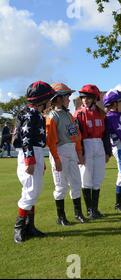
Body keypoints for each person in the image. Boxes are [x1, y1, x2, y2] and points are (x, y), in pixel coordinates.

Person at [12, 81, 55, 243]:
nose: (50, 102)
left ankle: (30, 227)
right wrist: (30, 159)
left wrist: (39, 160)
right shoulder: (32, 114)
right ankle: (19, 228)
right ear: (41, 100)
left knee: (33, 191)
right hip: (28, 154)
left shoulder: (32, 113)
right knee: (31, 191)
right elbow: (26, 139)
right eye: (49, 98)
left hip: (33, 153)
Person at [46, 83, 85, 225]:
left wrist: (79, 153)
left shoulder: (69, 115)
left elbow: (77, 135)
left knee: (76, 183)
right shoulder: (52, 116)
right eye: (66, 96)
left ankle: (78, 214)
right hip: (59, 152)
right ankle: (61, 217)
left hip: (72, 151)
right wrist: (56, 159)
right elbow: (50, 141)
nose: (69, 99)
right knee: (61, 186)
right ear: (57, 99)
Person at [74, 84, 112, 219]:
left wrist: (108, 152)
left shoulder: (102, 114)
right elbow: (76, 136)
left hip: (99, 145)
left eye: (88, 98)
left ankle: (95, 209)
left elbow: (106, 134)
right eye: (83, 97)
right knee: (86, 178)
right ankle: (89, 210)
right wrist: (80, 153)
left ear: (95, 98)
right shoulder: (78, 114)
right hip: (86, 145)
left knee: (98, 178)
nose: (85, 100)